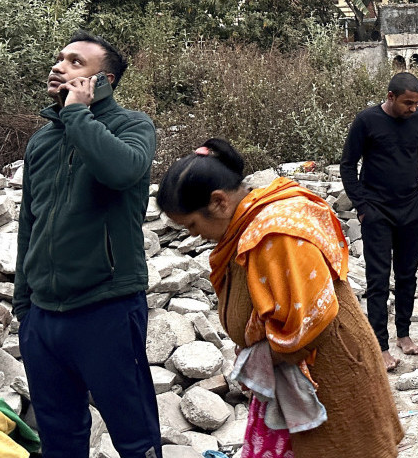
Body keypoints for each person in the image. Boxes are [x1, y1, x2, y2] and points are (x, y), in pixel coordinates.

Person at [158, 139, 403, 457]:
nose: (192, 234)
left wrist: (250, 362)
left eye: (192, 224)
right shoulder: (244, 226)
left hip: (331, 372)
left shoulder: (275, 234)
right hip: (302, 374)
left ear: (219, 202)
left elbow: (303, 326)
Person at [14, 31, 162, 458]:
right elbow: (30, 224)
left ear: (105, 81)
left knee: (135, 437)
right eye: (60, 58)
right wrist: (24, 307)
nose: (59, 66)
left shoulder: (133, 126)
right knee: (60, 441)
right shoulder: (41, 141)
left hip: (107, 307)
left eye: (76, 62)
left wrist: (78, 115)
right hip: (43, 319)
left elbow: (121, 171)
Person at [339, 72, 418, 370]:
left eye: (417, 103)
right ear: (391, 97)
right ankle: (379, 345)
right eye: (408, 102)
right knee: (378, 280)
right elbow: (347, 164)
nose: (413, 108)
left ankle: (404, 335)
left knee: (407, 275)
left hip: (411, 209)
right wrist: (362, 205)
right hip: (377, 211)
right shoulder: (367, 121)